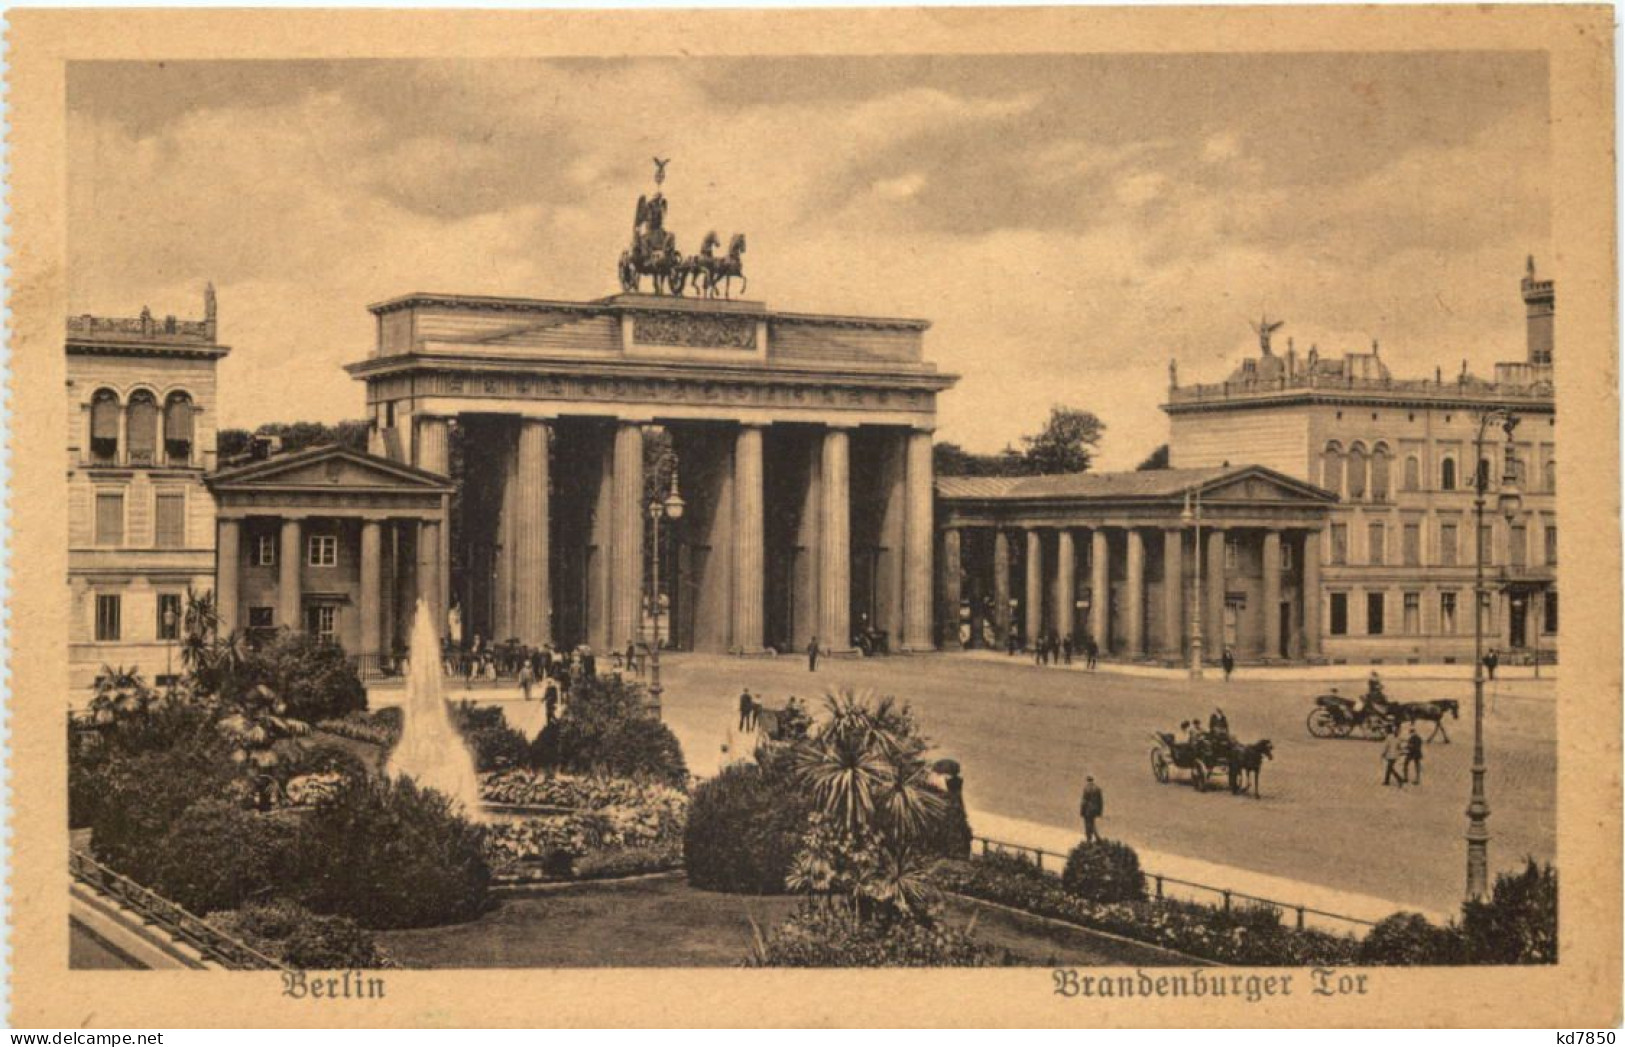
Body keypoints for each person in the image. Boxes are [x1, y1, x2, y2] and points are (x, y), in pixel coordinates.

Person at [1079, 775, 1105, 844]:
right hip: (1094, 810)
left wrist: (1081, 811)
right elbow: (1101, 801)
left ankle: (1090, 838)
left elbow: (1084, 801)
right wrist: (1100, 812)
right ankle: (1096, 838)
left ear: (1087, 780)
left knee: (1088, 824)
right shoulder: (1097, 788)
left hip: (1087, 810)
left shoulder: (1086, 789)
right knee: (1092, 823)